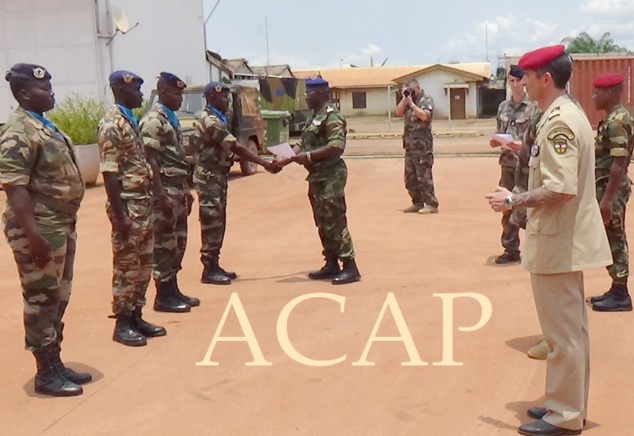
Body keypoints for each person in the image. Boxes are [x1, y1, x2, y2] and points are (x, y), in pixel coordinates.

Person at [486, 45, 612, 436]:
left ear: (545, 78)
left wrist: (513, 200)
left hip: (559, 240)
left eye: (527, 75)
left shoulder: (558, 122)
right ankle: (563, 403)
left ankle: (566, 414)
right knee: (568, 332)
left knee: (563, 335)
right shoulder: (558, 115)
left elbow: (560, 188)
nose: (520, 81)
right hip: (562, 239)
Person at [0, 63, 90, 396]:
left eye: (50, 86)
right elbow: (15, 188)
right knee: (41, 299)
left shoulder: (43, 125)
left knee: (58, 296)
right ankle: (45, 373)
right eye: (43, 88)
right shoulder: (17, 131)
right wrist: (34, 237)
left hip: (59, 224)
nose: (51, 92)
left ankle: (55, 361)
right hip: (38, 229)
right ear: (24, 94)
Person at [99, 70, 166, 347]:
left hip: (142, 203)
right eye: (137, 90)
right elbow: (109, 173)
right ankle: (122, 322)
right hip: (127, 206)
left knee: (143, 263)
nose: (141, 94)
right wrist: (121, 215)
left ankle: (137, 314)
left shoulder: (130, 120)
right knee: (127, 266)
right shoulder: (112, 124)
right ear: (120, 90)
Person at [275, 78, 361, 284]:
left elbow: (336, 146)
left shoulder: (332, 118)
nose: (306, 97)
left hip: (331, 176)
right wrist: (282, 160)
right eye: (306, 94)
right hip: (317, 177)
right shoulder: (314, 117)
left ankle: (350, 266)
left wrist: (309, 157)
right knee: (322, 222)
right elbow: (301, 144)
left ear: (322, 94)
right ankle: (331, 263)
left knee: (335, 220)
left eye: (309, 94)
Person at [191, 82, 278, 285]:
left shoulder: (220, 117)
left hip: (217, 176)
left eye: (227, 97)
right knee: (212, 221)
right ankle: (209, 269)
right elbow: (234, 146)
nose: (226, 101)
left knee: (219, 220)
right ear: (211, 98)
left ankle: (215, 264)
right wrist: (264, 162)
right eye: (222, 98)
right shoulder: (210, 121)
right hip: (209, 177)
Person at [139, 72, 198, 313]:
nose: (180, 99)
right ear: (162, 92)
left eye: (181, 94)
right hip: (163, 191)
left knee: (178, 242)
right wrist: (160, 194)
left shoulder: (171, 119)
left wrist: (186, 190)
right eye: (175, 94)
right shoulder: (154, 121)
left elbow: (177, 159)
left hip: (177, 189)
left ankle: (173, 288)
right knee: (164, 243)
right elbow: (149, 160)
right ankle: (163, 294)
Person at [588, 73, 634, 312]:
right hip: (608, 187)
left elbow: (618, 162)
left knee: (615, 238)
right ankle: (616, 287)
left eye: (597, 92)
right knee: (611, 236)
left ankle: (621, 294)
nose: (593, 97)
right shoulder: (613, 118)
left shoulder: (617, 121)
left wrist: (607, 199)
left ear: (610, 93)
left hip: (611, 189)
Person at [489, 65, 537, 264]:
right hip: (508, 163)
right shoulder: (503, 107)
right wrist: (496, 141)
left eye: (517, 81)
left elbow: (538, 136)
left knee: (530, 206)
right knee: (507, 205)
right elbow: (500, 130)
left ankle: (535, 249)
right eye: (511, 81)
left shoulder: (534, 106)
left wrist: (522, 145)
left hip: (526, 164)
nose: (514, 85)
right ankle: (510, 248)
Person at [395, 78, 439, 214]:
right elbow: (398, 112)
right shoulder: (408, 100)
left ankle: (431, 204)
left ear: (418, 88)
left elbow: (425, 116)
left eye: (412, 90)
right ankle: (418, 202)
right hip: (409, 146)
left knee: (424, 178)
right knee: (410, 178)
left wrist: (412, 104)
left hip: (422, 147)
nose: (410, 93)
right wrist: (404, 99)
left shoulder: (426, 99)